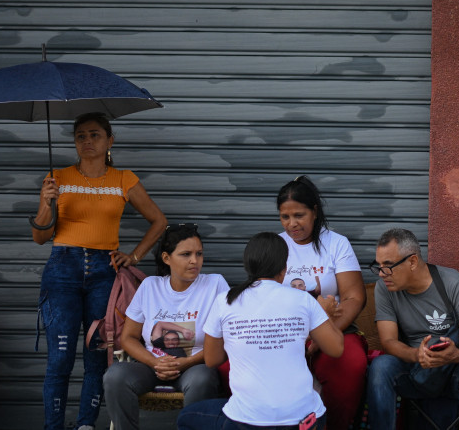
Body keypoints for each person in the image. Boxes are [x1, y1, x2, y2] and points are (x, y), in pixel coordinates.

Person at [31, 112, 167, 430]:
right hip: (62, 269)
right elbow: (39, 237)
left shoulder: (124, 179)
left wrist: (133, 256)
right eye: (80, 136)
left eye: (95, 135)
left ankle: (85, 425)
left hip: (105, 273)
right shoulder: (57, 177)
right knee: (61, 358)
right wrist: (45, 200)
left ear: (110, 140)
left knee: (97, 355)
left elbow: (159, 221)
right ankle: (53, 426)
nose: (87, 141)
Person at [177, 232, 344, 430]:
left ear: (248, 266)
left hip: (247, 421)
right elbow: (336, 348)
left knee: (186, 418)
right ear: (284, 270)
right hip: (304, 421)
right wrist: (327, 315)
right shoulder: (303, 300)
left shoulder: (225, 300)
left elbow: (212, 360)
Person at [103, 223, 227, 430]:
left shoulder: (215, 284)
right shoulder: (150, 286)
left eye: (199, 254)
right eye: (186, 254)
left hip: (195, 366)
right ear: (166, 258)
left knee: (203, 379)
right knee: (115, 376)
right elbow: (128, 338)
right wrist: (155, 362)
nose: (194, 261)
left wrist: (185, 362)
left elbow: (226, 339)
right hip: (151, 366)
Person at [366, 228, 459, 430]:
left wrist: (456, 354)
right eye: (378, 266)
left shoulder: (452, 282)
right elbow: (388, 342)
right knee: (381, 366)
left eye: (388, 266)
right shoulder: (385, 288)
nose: (381, 274)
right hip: (413, 369)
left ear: (413, 262)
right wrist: (417, 354)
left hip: (452, 371)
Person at [275, 176, 368, 430]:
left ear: (314, 212)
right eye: (285, 217)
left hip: (334, 325)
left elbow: (354, 297)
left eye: (299, 215)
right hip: (283, 331)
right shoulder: (275, 246)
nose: (292, 224)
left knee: (351, 364)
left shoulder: (336, 244)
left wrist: (326, 333)